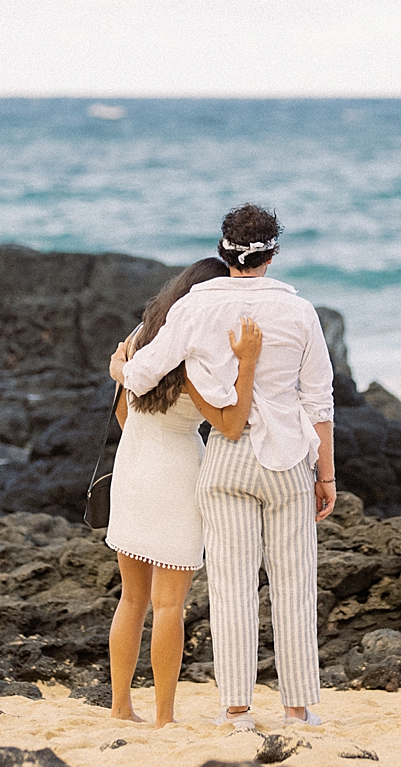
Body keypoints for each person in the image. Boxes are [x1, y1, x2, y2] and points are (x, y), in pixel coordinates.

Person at [112, 203, 336, 731]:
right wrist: (325, 475)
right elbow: (319, 401)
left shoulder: (193, 306)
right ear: (273, 252)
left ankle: (236, 710)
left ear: (223, 250)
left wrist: (120, 365)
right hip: (287, 459)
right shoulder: (300, 311)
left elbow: (140, 377)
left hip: (225, 461)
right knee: (294, 587)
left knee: (232, 590)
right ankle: (297, 708)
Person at [105, 256, 265, 728]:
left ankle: (120, 707)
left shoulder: (142, 337)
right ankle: (164, 718)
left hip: (133, 464)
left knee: (131, 600)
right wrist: (248, 365)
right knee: (170, 605)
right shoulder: (201, 356)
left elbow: (122, 409)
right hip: (177, 471)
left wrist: (119, 372)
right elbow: (231, 426)